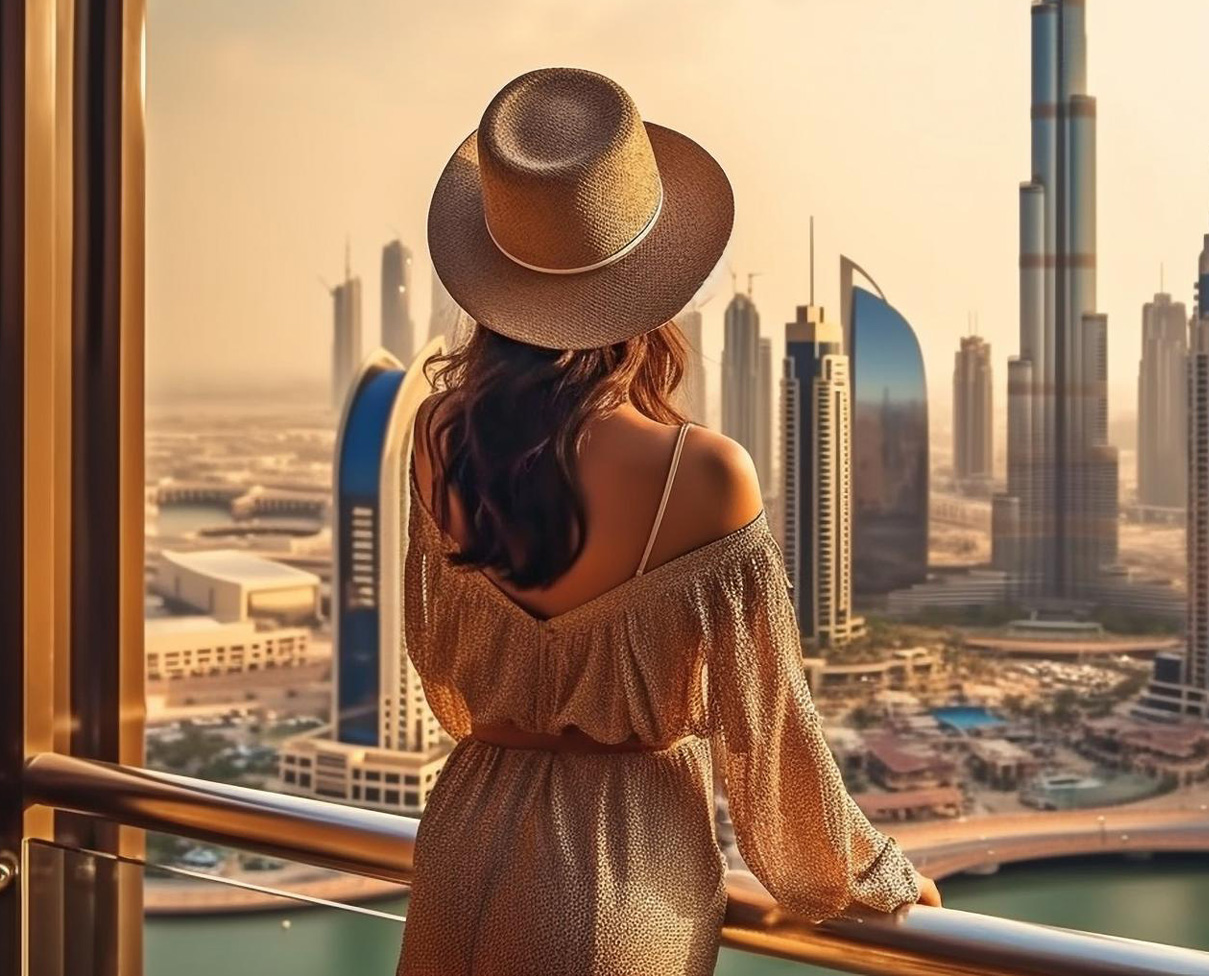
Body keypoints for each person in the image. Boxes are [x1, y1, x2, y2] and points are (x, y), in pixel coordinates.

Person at [397, 67, 938, 976]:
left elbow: (441, 673)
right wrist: (871, 873)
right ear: (650, 286)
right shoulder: (703, 472)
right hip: (623, 870)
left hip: (463, 839)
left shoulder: (437, 435)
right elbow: (770, 731)